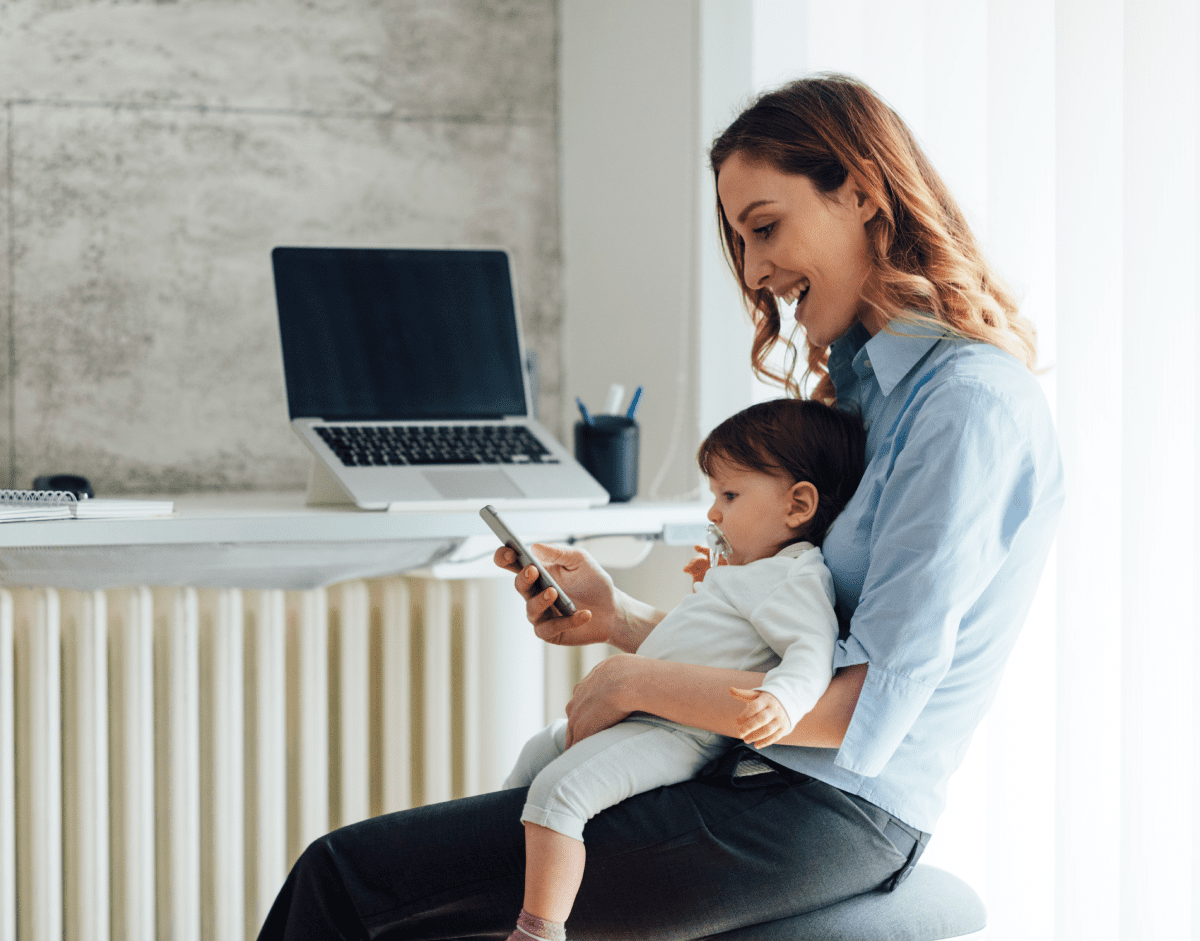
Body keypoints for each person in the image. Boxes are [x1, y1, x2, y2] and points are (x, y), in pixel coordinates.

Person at [257, 72, 1064, 940]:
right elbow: (787, 639)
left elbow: (855, 709)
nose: (754, 270)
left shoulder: (965, 408)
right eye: (741, 240)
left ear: (862, 191)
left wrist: (636, 680)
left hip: (818, 810)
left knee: (343, 880)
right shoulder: (870, 393)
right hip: (757, 775)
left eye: (765, 228)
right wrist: (623, 620)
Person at [501, 399, 865, 941]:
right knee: (538, 750)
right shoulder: (752, 572)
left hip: (676, 734)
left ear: (799, 505)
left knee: (560, 791)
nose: (715, 512)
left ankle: (539, 929)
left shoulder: (795, 577)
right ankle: (498, 853)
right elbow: (708, 641)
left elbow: (811, 654)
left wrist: (782, 701)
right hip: (646, 719)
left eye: (730, 495)